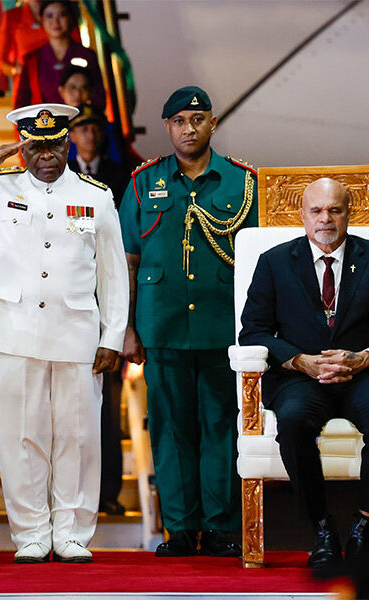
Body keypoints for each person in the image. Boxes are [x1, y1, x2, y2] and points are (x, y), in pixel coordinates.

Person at [0, 103, 129, 563]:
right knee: (20, 436)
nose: (46, 156)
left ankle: (72, 532)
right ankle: (32, 532)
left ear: (67, 144)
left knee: (77, 436)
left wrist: (112, 336)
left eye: (54, 145)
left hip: (76, 333)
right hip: (13, 332)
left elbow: (113, 273)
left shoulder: (95, 195)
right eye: (35, 146)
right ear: (22, 148)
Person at [119, 86, 258, 557]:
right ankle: (179, 528)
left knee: (221, 424)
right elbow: (128, 263)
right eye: (179, 121)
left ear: (212, 124)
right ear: (167, 128)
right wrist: (128, 328)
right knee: (170, 426)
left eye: (197, 119)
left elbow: (260, 263)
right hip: (162, 327)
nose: (188, 128)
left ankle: (219, 526)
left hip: (224, 329)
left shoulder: (243, 183)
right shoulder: (143, 183)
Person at [239, 177, 369, 569]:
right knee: (293, 422)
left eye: (335, 210)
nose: (325, 219)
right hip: (300, 376)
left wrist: (364, 358)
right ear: (303, 215)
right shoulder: (275, 261)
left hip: (361, 373)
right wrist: (300, 361)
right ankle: (322, 529)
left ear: (350, 213)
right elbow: (254, 331)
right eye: (316, 210)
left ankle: (363, 524)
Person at [68, 103, 130, 515]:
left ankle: (107, 491)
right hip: (66, 305)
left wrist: (119, 325)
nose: (88, 134)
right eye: (81, 128)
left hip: (104, 302)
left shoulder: (120, 177)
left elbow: (122, 251)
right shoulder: (56, 174)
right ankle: (68, 495)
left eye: (94, 127)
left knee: (107, 407)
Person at [14, 1, 104, 109]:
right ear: (42, 20)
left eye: (62, 15)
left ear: (71, 19)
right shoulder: (32, 59)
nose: (55, 21)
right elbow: (21, 103)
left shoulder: (87, 55)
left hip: (80, 123)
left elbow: (98, 98)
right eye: (49, 16)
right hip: (45, 123)